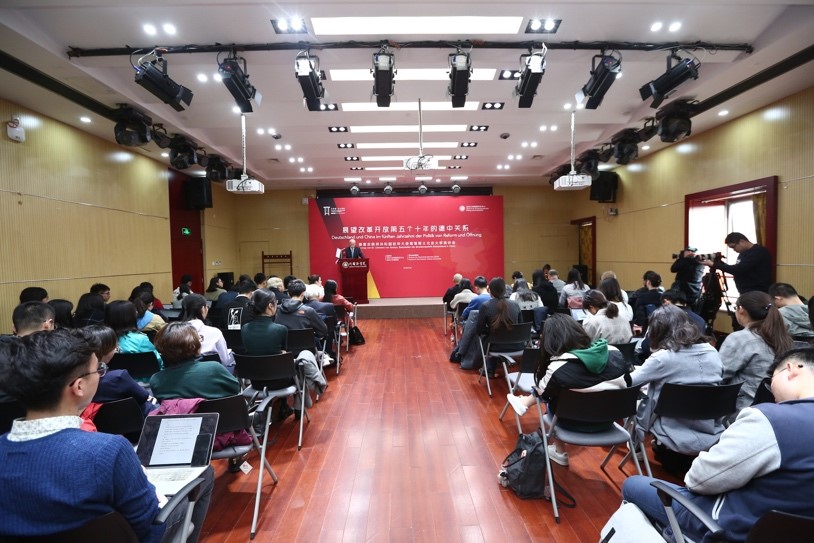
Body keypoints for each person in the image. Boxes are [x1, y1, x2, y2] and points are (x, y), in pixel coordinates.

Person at [0, 329, 213, 542]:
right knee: (206, 475)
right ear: (79, 386)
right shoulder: (108, 450)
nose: (101, 374)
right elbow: (147, 527)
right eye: (99, 369)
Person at [621, 347, 814, 543]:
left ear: (791, 370)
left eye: (771, 378)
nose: (772, 391)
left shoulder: (773, 420)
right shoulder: (711, 355)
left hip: (723, 530)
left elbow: (698, 479)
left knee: (632, 484)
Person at [505, 314, 630, 466]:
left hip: (571, 424)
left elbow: (544, 394)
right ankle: (525, 403)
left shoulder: (557, 368)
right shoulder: (614, 352)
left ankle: (559, 451)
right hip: (608, 422)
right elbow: (628, 383)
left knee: (553, 395)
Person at [631, 305, 724, 473]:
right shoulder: (712, 352)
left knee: (639, 401)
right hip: (709, 428)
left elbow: (630, 382)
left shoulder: (662, 358)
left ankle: (636, 447)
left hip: (670, 430)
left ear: (657, 330)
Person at [241, 289, 326, 413]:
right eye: (276, 302)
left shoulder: (244, 329)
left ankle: (284, 407)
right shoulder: (280, 329)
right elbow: (284, 354)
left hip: (255, 382)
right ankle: (299, 408)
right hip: (280, 381)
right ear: (270, 306)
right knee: (300, 364)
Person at [719, 291, 794, 417]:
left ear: (741, 310)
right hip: (778, 409)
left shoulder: (740, 338)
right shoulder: (785, 338)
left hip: (743, 411)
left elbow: (719, 376)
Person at [78, 325, 157, 416]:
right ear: (107, 349)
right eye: (114, 346)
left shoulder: (76, 382)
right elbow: (143, 397)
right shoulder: (118, 377)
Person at [150, 322, 240, 401]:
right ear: (193, 346)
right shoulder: (214, 369)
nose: (200, 341)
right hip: (220, 414)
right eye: (199, 338)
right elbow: (236, 389)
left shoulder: (156, 380)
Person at [476, 277, 522, 376]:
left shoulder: (486, 306)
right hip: (517, 346)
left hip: (495, 347)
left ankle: (489, 369)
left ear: (490, 290)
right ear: (505, 290)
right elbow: (520, 326)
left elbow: (479, 329)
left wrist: (492, 330)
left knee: (488, 338)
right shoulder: (515, 305)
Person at [701, 232, 772, 294]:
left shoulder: (758, 252)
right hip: (747, 292)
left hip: (757, 292)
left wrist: (714, 264)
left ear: (742, 241)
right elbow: (735, 269)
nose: (734, 250)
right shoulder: (743, 253)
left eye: (733, 247)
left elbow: (738, 269)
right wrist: (719, 263)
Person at [179, 294, 233, 369]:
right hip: (211, 373)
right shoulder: (215, 332)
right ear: (202, 309)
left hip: (182, 373)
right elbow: (225, 360)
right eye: (207, 307)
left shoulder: (174, 333)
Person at [104, 300, 162, 365]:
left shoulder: (101, 338)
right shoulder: (140, 339)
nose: (137, 312)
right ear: (129, 317)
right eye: (134, 311)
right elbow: (157, 362)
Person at [632, 270, 663, 334]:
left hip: (646, 327)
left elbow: (636, 310)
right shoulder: (663, 297)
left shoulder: (641, 296)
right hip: (662, 325)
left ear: (648, 282)